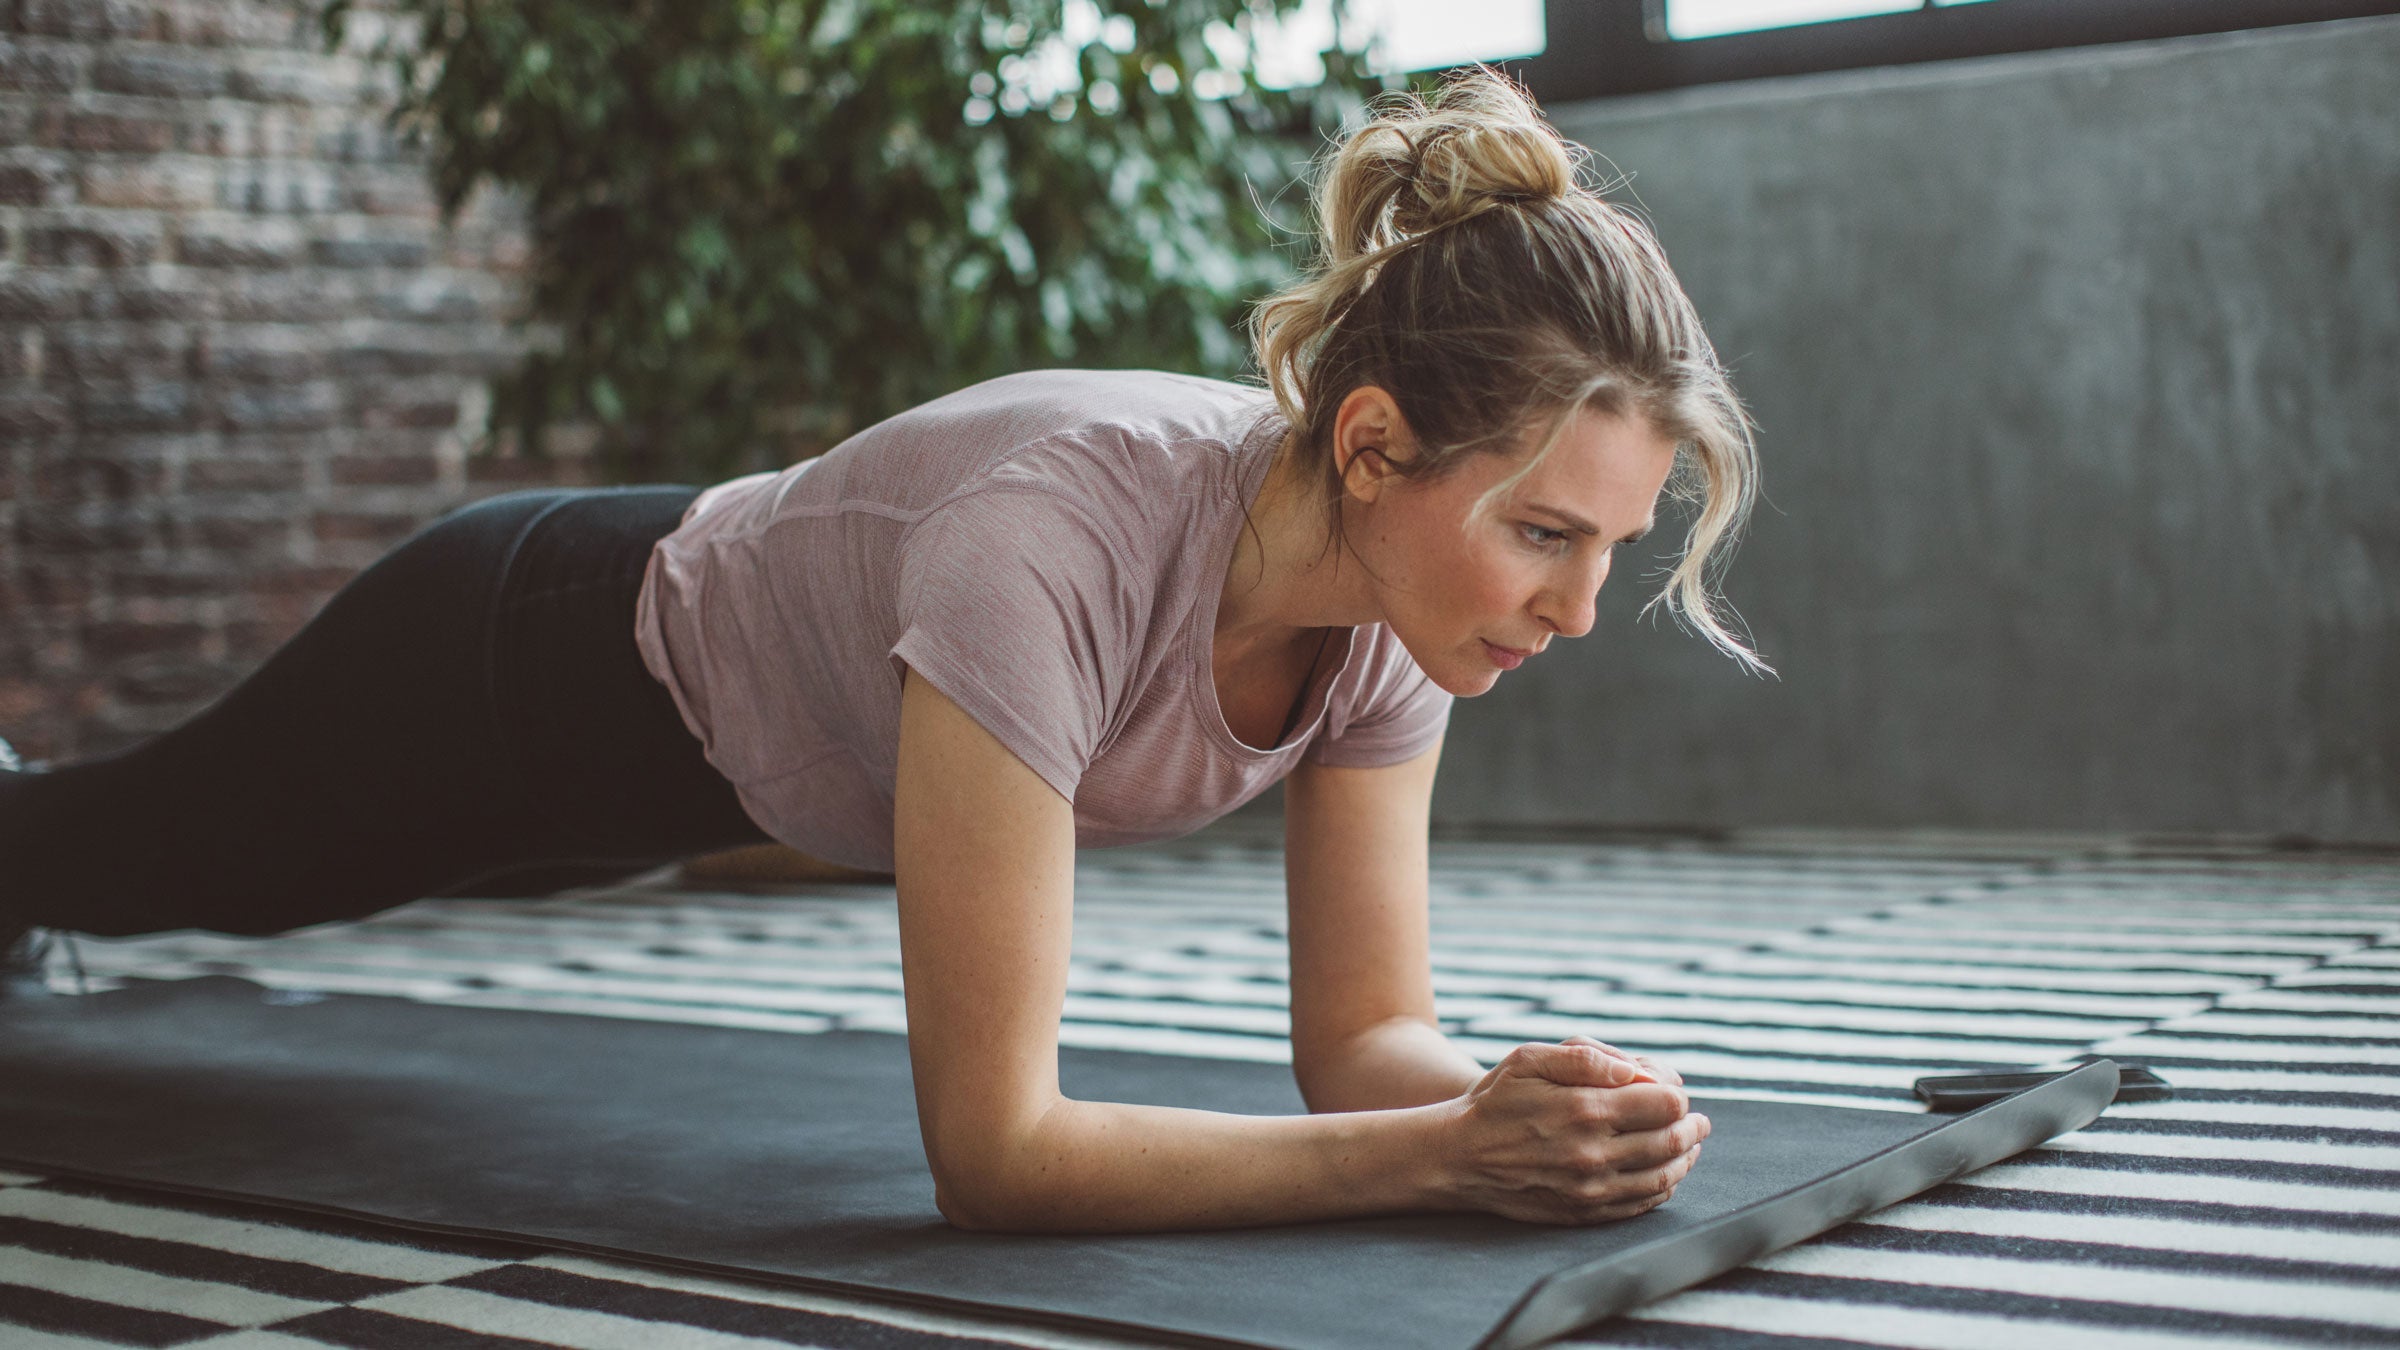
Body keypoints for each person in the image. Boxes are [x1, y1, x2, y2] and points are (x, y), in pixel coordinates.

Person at [0, 68, 1762, 1233]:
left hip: (664, 772)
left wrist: (1540, 1102)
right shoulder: (1053, 543)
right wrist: (1440, 1153)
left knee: (207, 877)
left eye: (1610, 545)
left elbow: (1367, 1035)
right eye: (1547, 533)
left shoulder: (1382, 609)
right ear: (1375, 448)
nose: (1579, 608)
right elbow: (1000, 1153)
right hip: (509, 658)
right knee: (117, 859)